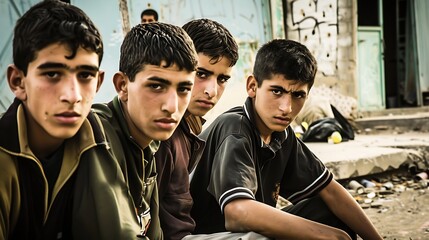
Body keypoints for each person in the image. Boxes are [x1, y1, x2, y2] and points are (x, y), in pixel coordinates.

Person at [189, 39, 383, 240]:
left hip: (243, 234)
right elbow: (237, 213)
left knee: (330, 211)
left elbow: (331, 192)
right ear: (253, 86)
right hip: (206, 235)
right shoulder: (235, 128)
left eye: (298, 95)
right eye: (277, 91)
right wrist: (329, 236)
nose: (287, 108)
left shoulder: (282, 135)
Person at [0, 0, 141, 239]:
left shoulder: (95, 136)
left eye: (85, 75)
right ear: (18, 82)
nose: (72, 96)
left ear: (98, 82)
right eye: (52, 74)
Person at [92, 22, 198, 239]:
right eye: (156, 86)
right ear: (122, 85)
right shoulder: (97, 133)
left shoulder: (150, 141)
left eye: (184, 89)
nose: (172, 106)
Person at [154, 18, 239, 240]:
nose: (211, 90)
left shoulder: (192, 127)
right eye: (201, 74)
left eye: (222, 79)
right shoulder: (162, 130)